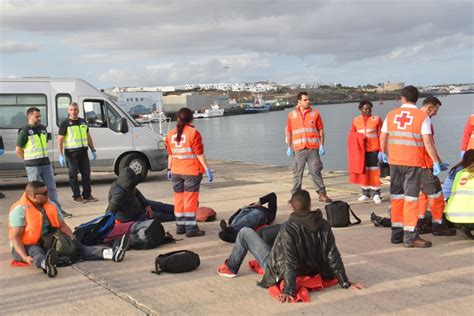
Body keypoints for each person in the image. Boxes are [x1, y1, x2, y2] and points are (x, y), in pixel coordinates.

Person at [217, 190, 363, 303]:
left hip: (283, 267)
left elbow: (289, 260)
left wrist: (288, 290)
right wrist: (344, 281)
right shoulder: (324, 223)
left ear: (292, 207)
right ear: (309, 205)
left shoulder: (288, 227)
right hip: (313, 267)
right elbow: (333, 254)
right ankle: (233, 265)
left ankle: (231, 267)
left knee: (244, 232)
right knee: (267, 237)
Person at [8, 181, 128, 278]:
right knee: (37, 252)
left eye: (47, 191)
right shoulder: (20, 210)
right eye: (44, 193)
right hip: (26, 245)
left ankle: (112, 253)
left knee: (77, 248)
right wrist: (24, 257)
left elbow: (63, 226)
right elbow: (16, 237)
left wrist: (73, 239)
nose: (47, 194)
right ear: (34, 196)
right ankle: (46, 265)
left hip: (49, 239)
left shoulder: (51, 205)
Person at [379, 85, 441, 248]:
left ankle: (397, 233)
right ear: (416, 99)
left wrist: (383, 152)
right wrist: (435, 161)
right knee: (412, 199)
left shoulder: (391, 115)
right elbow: (427, 141)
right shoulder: (422, 117)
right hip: (412, 163)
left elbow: (383, 135)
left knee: (397, 197)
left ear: (403, 99)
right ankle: (411, 236)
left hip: (394, 162)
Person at [165, 107, 213, 237]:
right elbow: (199, 154)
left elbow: (170, 154)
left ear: (178, 119)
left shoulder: (170, 134)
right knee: (190, 200)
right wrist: (207, 169)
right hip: (191, 171)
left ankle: (180, 226)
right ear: (191, 118)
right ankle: (191, 228)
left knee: (178, 199)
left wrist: (169, 169)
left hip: (175, 171)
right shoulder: (193, 133)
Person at [15, 107, 71, 218]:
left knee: (51, 188)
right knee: (34, 192)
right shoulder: (24, 131)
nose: (39, 118)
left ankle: (56, 211)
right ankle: (36, 212)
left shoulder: (42, 129)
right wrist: (27, 160)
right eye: (37, 116)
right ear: (29, 116)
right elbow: (18, 150)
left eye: (40, 116)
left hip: (46, 163)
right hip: (33, 165)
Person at [416, 97, 455, 236]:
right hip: (425, 164)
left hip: (413, 164)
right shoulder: (425, 120)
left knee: (422, 194)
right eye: (435, 110)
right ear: (429, 107)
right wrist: (435, 162)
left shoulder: (413, 118)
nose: (436, 114)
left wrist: (438, 160)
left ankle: (419, 223)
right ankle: (438, 226)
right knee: (436, 194)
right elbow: (429, 144)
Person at [286, 91, 332, 203]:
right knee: (297, 172)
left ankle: (322, 194)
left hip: (312, 148)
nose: (308, 101)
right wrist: (289, 146)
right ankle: (295, 196)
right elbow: (289, 132)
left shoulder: (315, 114)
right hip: (298, 149)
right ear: (299, 101)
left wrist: (322, 145)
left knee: (315, 170)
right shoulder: (292, 115)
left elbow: (321, 130)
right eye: (305, 100)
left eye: (308, 99)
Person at [57, 102, 98, 203]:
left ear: (78, 110)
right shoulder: (65, 123)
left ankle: (87, 195)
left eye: (75, 109)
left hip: (83, 152)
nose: (73, 112)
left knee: (86, 174)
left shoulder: (83, 122)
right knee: (73, 175)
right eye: (71, 110)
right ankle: (76, 196)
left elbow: (88, 136)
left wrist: (93, 149)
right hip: (71, 154)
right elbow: (60, 140)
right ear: (68, 111)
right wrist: (61, 155)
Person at [107, 167, 175, 223]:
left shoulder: (128, 185)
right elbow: (109, 211)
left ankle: (182, 210)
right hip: (134, 216)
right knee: (162, 216)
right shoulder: (119, 194)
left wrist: (146, 205)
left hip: (140, 205)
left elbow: (137, 193)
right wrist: (113, 222)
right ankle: (182, 217)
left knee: (162, 206)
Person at [349, 100, 383, 204]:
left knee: (374, 172)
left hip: (373, 150)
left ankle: (376, 193)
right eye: (365, 108)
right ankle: (365, 193)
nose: (368, 110)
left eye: (369, 108)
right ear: (361, 109)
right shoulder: (355, 121)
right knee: (363, 172)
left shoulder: (376, 119)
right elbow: (351, 135)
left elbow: (381, 135)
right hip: (361, 151)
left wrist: (382, 150)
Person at [444, 149, 474, 238]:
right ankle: (469, 226)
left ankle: (463, 225)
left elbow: (447, 188)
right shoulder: (466, 171)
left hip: (453, 212)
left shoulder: (458, 171)